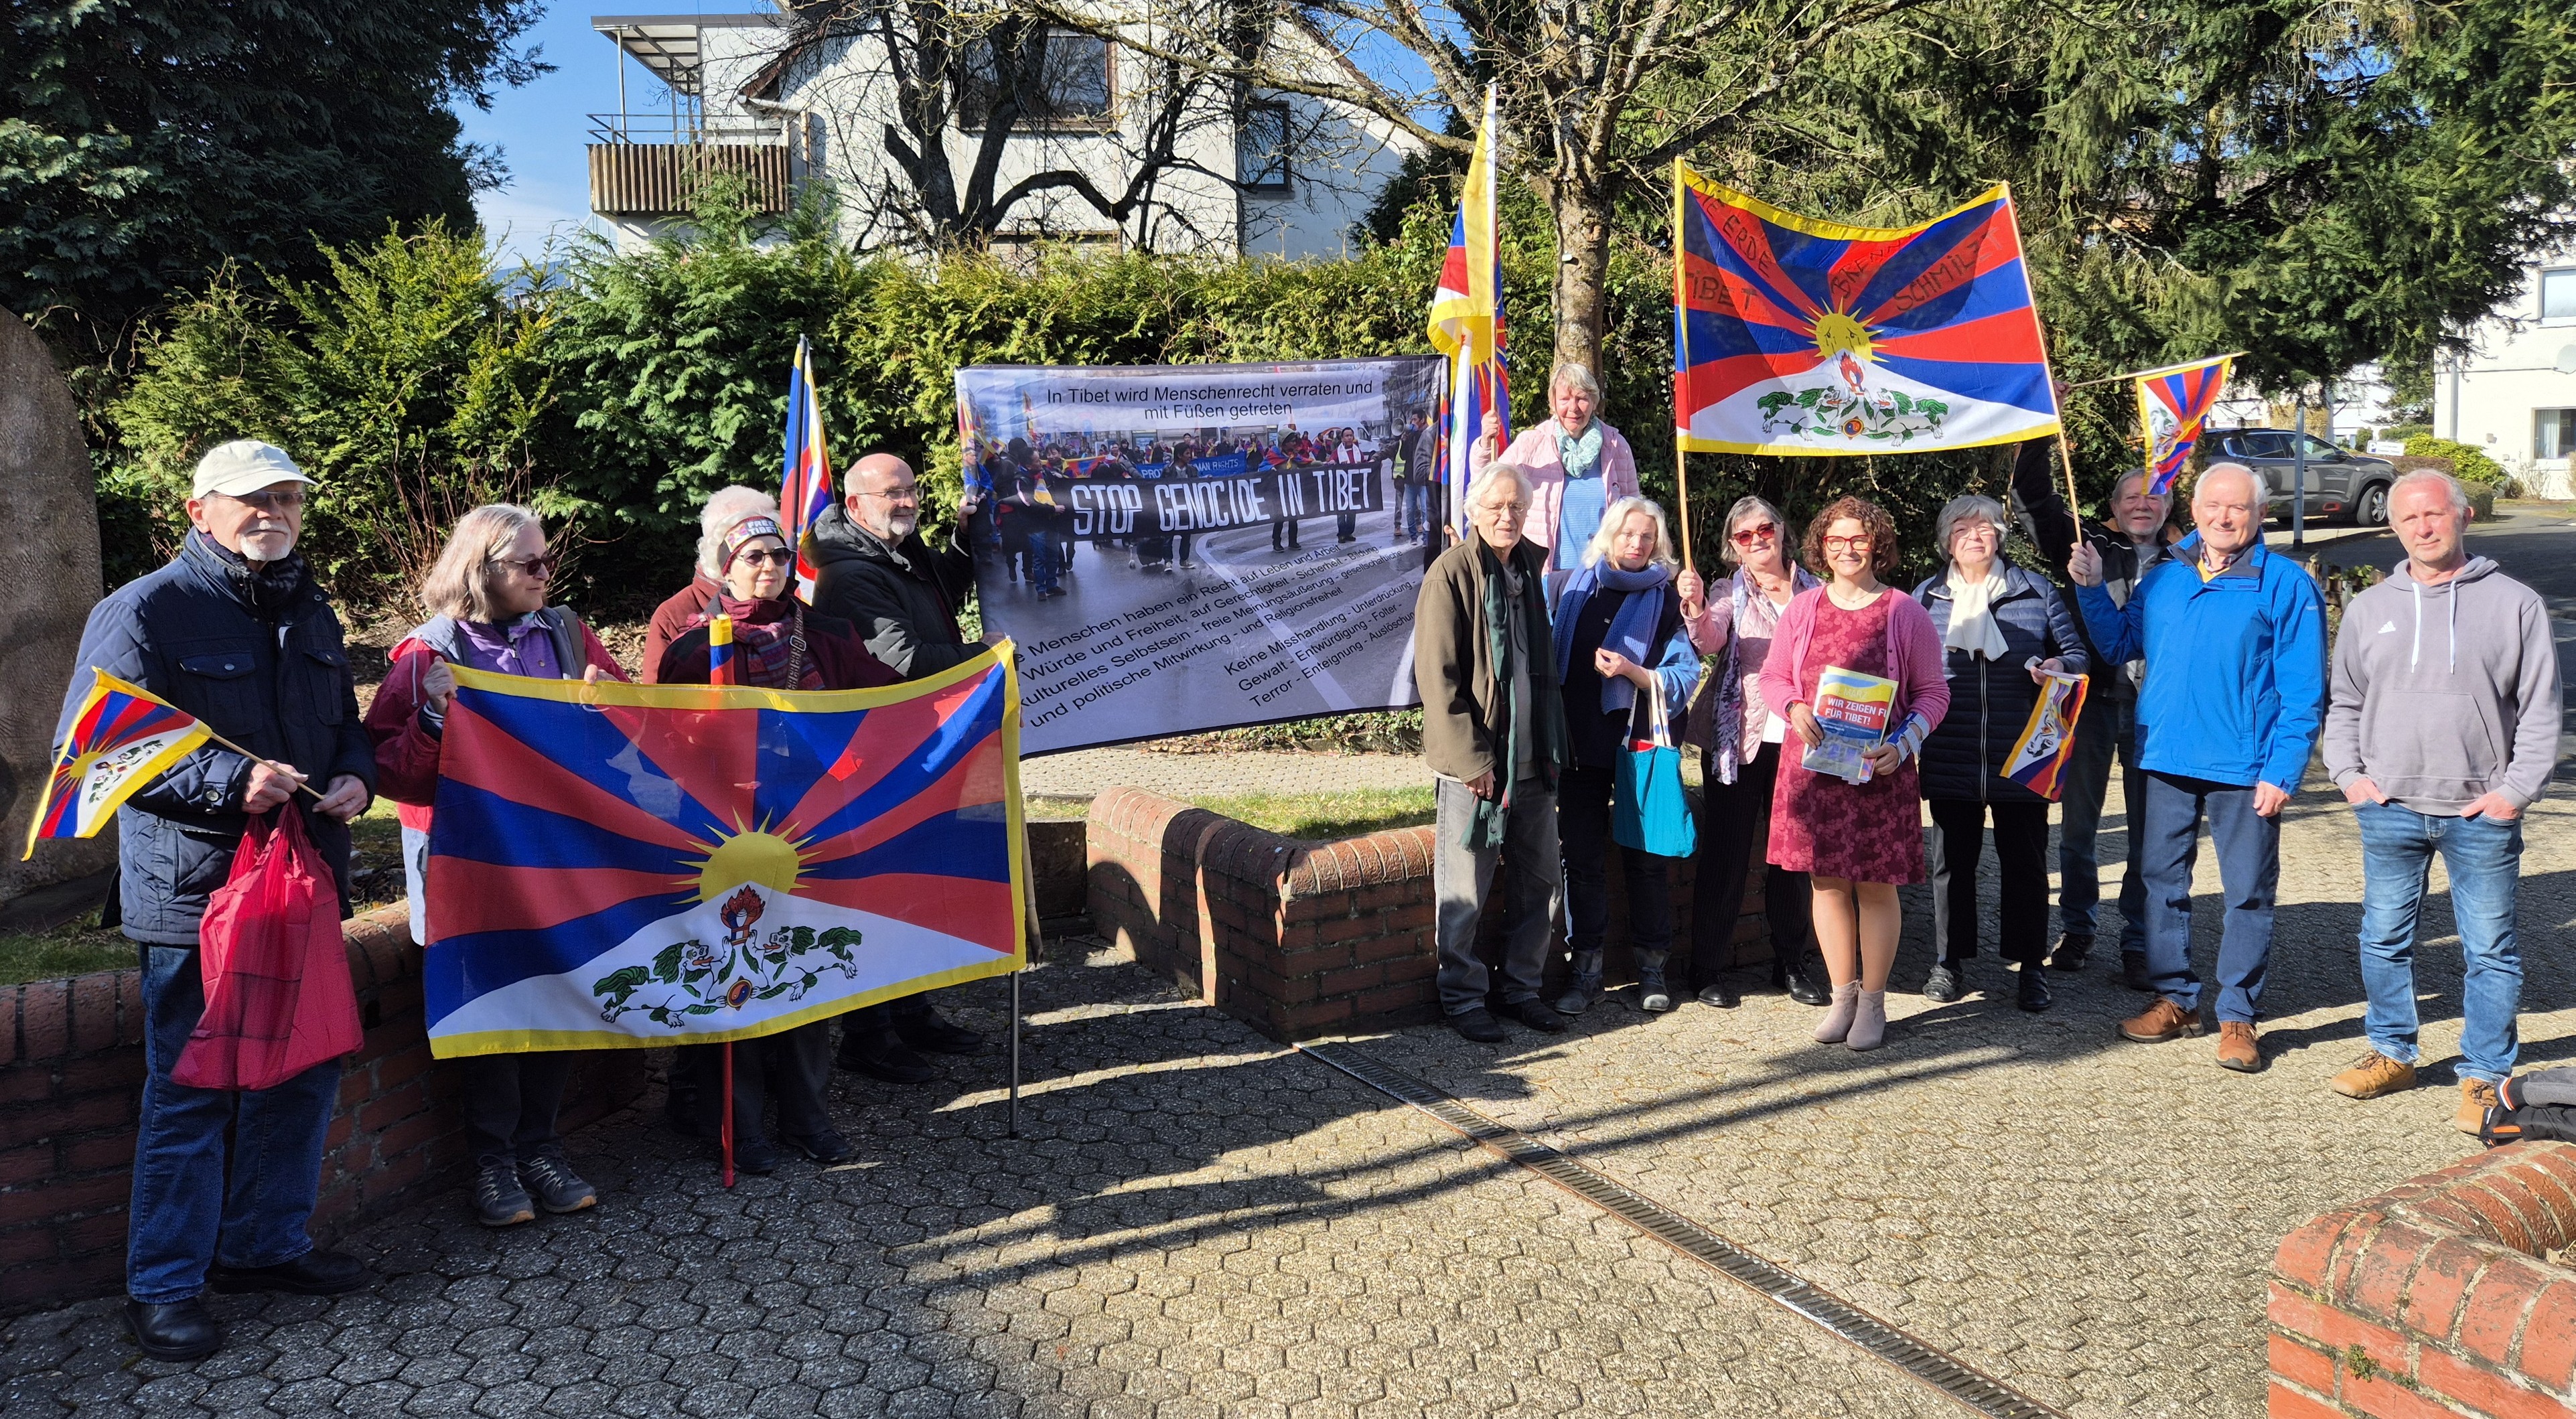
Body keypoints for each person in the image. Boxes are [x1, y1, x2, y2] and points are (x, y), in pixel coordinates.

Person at [58, 440, 376, 1361]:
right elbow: (91, 751)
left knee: (303, 1066)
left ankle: (263, 1246)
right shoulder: (143, 610)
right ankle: (161, 1285)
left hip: (302, 880)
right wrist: (223, 781)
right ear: (199, 510)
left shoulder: (309, 605)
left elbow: (344, 725)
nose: (271, 511)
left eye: (285, 496)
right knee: (192, 1092)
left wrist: (354, 774)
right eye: (249, 499)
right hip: (194, 896)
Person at [364, 504, 625, 1227]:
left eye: (548, 562)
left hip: (555, 854)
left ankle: (541, 1147)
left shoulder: (567, 636)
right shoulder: (425, 656)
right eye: (530, 565)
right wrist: (435, 719)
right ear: (482, 570)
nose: (547, 575)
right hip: (469, 862)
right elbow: (391, 774)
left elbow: (627, 742)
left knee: (553, 994)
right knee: (488, 1009)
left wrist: (614, 708)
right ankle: (493, 1161)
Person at [655, 508, 900, 1170]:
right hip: (724, 840)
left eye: (779, 555)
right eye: (753, 556)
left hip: (811, 834)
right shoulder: (692, 648)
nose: (769, 567)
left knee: (803, 971)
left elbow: (890, 703)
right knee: (731, 976)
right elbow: (663, 751)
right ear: (723, 566)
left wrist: (976, 680)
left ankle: (806, 1116)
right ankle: (736, 1123)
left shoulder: (825, 635)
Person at [2321, 471, 2560, 1130]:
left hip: (2479, 813)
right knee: (2384, 936)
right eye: (2409, 518)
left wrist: (2514, 792)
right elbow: (2344, 702)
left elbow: (2540, 713)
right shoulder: (2372, 608)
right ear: (2393, 528)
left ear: (2463, 516)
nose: (2423, 527)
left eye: (2435, 514)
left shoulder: (2514, 604)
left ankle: (2484, 1076)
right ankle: (2393, 1051)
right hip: (2389, 807)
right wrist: (2349, 775)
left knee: (2489, 948)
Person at [2070, 463, 2327, 1073]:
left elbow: (2303, 690)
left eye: (2237, 507)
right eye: (2213, 505)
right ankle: (2176, 997)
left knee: (2247, 893)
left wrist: (2283, 768)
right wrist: (2088, 587)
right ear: (2195, 507)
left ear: (2260, 514)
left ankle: (2238, 1013)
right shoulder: (2165, 579)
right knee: (2162, 882)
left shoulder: (2285, 584)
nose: (2223, 516)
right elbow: (2117, 645)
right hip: (2165, 755)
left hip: (2247, 764)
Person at [806, 452, 993, 1084]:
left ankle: (914, 1013)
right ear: (856, 505)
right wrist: (993, 656)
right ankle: (868, 1035)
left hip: (922, 747)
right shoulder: (853, 575)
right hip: (883, 758)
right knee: (884, 890)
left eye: (912, 488)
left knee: (919, 885)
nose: (908, 500)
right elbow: (906, 659)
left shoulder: (893, 552)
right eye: (893, 493)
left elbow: (941, 591)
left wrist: (963, 543)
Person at [1760, 496, 1949, 1053]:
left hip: (1881, 770)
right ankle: (1841, 995)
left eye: (1858, 539)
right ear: (1821, 544)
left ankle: (1873, 1000)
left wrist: (1906, 742)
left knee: (1874, 886)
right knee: (1825, 882)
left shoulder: (1903, 611)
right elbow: (1772, 676)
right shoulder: (1803, 609)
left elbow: (1934, 693)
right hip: (1813, 771)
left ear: (1877, 545)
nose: (1847, 549)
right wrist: (1793, 706)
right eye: (1836, 540)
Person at [1911, 494, 2088, 1012]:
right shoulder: (1925, 598)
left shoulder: (2036, 590)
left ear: (1999, 536)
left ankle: (2031, 966)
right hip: (1951, 749)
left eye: (1985, 526)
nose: (1975, 535)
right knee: (1951, 866)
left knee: (2027, 866)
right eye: (1962, 527)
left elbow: (2076, 655)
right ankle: (1949, 961)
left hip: (2023, 753)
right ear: (1947, 540)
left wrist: (2056, 661)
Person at [1415, 462, 1570, 1042]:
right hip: (1477, 766)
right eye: (1496, 507)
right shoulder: (1450, 574)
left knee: (1542, 883)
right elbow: (1438, 680)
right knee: (1464, 888)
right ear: (1473, 512)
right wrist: (1472, 759)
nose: (1508, 516)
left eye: (1517, 507)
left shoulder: (1528, 568)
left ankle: (1521, 990)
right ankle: (1461, 998)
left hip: (1533, 758)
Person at [2013, 439, 2174, 986]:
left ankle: (2137, 938)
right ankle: (2078, 927)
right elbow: (2031, 497)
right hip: (2090, 703)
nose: (2142, 505)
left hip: (2159, 709)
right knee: (2079, 827)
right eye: (2131, 497)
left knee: (2146, 831)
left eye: (2154, 497)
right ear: (2114, 505)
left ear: (2169, 507)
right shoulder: (2085, 541)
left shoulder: (2188, 559)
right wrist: (2038, 433)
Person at [1549, 497, 1700, 1015]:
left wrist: (1633, 673)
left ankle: (1652, 969)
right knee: (1583, 862)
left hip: (1637, 747)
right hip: (1580, 744)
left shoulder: (1666, 602)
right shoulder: (1574, 589)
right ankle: (1585, 970)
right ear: (1608, 536)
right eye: (1627, 534)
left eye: (1646, 538)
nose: (1636, 544)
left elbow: (1685, 678)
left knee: (1645, 862)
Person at [1678, 497, 1828, 1009]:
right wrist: (1696, 607)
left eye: (1765, 527)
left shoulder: (1819, 591)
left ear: (1783, 530)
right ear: (1734, 548)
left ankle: (1791, 962)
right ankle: (1707, 967)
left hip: (1802, 741)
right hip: (1738, 740)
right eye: (1744, 535)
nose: (1757, 538)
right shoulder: (1729, 592)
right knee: (1727, 853)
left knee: (1791, 858)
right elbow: (1710, 639)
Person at [1474, 363, 1639, 586]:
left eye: (1582, 398)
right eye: (1564, 399)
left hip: (1603, 575)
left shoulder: (1616, 446)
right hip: (1544, 576)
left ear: (1593, 402)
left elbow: (1635, 514)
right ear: (1552, 402)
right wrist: (1485, 443)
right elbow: (1485, 482)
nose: (1574, 408)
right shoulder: (1532, 444)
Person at [646, 485, 778, 678]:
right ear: (718, 548)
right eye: (754, 553)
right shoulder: (674, 616)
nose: (769, 564)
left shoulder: (795, 611)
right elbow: (659, 702)